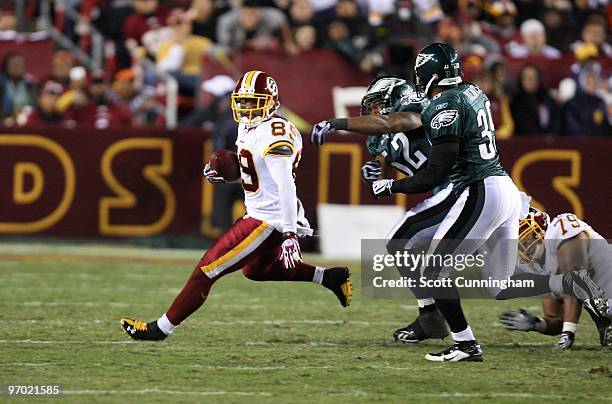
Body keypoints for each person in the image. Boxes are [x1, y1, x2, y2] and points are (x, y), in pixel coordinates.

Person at [311, 43, 604, 361]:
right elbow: (391, 138)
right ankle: (568, 283)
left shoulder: (433, 109)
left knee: (420, 256)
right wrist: (382, 168)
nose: (375, 112)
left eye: (380, 105)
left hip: (473, 191)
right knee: (498, 285)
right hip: (495, 187)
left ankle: (458, 338)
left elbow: (420, 154)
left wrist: (382, 179)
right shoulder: (469, 92)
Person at [121, 70, 352, 341]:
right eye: (242, 101)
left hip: (269, 219)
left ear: (271, 102)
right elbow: (256, 172)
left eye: (253, 101)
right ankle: (330, 277)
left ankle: (159, 329)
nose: (246, 108)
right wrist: (228, 175)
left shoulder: (277, 134)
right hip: (261, 212)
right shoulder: (248, 125)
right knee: (255, 271)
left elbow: (285, 185)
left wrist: (290, 233)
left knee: (207, 269)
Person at [359, 76, 450, 344]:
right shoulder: (382, 138)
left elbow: (410, 122)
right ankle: (430, 316)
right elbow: (383, 175)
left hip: (460, 187)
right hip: (441, 195)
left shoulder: (417, 109)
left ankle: (433, 318)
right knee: (406, 246)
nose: (372, 113)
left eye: (377, 106)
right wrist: (373, 176)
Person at [500, 208, 612, 348]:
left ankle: (604, 322)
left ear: (541, 225)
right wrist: (536, 323)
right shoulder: (538, 267)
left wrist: (568, 333)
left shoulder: (559, 227)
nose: (524, 242)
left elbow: (575, 274)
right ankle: (605, 323)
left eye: (525, 233)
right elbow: (556, 320)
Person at [510, 64, 561, 135]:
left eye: (533, 77)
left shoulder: (547, 99)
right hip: (525, 142)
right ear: (520, 80)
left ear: (539, 79)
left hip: (549, 142)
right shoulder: (515, 101)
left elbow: (556, 122)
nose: (530, 80)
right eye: (526, 77)